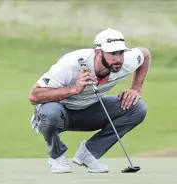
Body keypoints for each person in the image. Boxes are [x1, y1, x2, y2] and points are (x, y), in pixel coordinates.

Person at [28, 28, 151, 173]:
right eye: (112, 53)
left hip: (90, 110)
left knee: (137, 108)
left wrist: (135, 88)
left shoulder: (127, 61)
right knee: (50, 114)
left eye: (120, 53)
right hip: (60, 112)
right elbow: (34, 95)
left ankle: (89, 153)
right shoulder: (70, 64)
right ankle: (57, 155)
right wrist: (74, 89)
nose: (118, 59)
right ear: (98, 52)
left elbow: (145, 54)